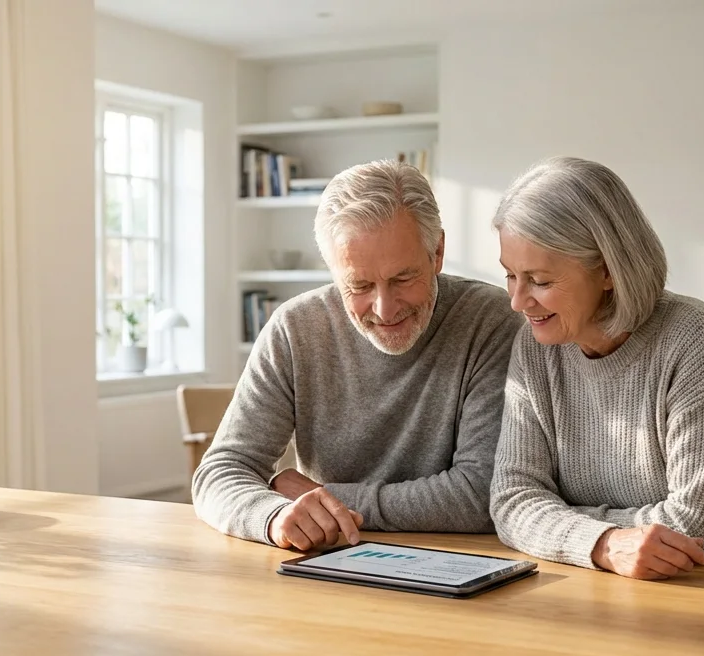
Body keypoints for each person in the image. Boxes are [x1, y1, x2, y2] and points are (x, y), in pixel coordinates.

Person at [488, 156, 704, 580]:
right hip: (612, 579)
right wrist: (603, 542)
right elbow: (511, 500)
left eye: (540, 281)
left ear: (608, 270)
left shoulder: (695, 338)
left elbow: (701, 527)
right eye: (510, 275)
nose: (518, 301)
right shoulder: (536, 347)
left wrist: (562, 519)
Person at [192, 160, 522, 551]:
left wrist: (325, 496)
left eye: (402, 278)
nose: (384, 309)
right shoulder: (295, 328)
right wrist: (275, 515)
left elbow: (482, 493)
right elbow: (220, 471)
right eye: (359, 285)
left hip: (461, 560)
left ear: (437, 252)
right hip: (328, 557)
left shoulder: (491, 321)